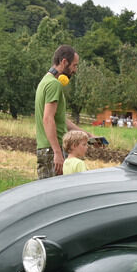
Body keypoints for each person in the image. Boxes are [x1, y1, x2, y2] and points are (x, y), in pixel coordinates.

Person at [35, 44, 89, 178]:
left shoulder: (45, 81)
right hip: (52, 150)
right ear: (64, 62)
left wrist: (86, 134)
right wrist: (57, 152)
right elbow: (48, 119)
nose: (75, 70)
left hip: (48, 149)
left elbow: (60, 119)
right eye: (74, 65)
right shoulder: (54, 84)